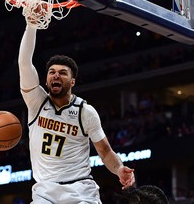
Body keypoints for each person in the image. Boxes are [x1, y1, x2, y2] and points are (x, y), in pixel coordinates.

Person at [17, 17, 135, 203]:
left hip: (80, 188)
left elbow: (105, 151)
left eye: (62, 73)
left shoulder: (85, 112)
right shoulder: (36, 101)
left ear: (72, 82)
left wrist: (119, 168)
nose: (56, 75)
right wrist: (31, 26)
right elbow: (24, 63)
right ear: (46, 80)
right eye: (51, 72)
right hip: (45, 190)